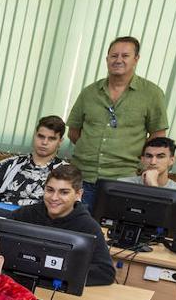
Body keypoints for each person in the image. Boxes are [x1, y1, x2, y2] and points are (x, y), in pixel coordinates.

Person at [67, 36, 169, 200]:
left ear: (136, 59)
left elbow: (158, 138)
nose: (118, 60)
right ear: (107, 59)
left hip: (124, 179)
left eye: (125, 56)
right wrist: (90, 150)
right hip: (82, 177)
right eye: (114, 56)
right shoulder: (89, 92)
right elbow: (73, 132)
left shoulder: (152, 94)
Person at [9, 164, 116, 286]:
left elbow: (105, 273)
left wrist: (57, 271)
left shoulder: (88, 226)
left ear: (78, 194)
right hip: (19, 285)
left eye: (64, 192)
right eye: (50, 190)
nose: (54, 198)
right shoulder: (24, 214)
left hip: (58, 290)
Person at [0, 116, 68, 207]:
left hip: (35, 216)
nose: (44, 142)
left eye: (51, 139)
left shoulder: (66, 172)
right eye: (41, 136)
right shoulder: (10, 164)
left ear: (60, 141)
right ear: (34, 136)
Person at [118, 137, 176, 205]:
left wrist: (153, 185)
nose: (153, 162)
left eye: (160, 157)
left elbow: (165, 213)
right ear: (142, 160)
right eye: (149, 156)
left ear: (171, 160)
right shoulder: (124, 184)